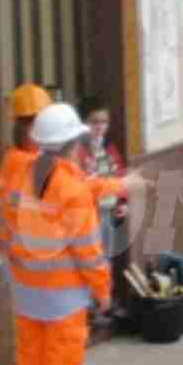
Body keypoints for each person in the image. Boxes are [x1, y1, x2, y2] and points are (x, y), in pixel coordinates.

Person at [8, 103, 110, 365]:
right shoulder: (71, 188)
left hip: (26, 292)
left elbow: (9, 227)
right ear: (72, 142)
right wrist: (103, 291)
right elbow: (88, 251)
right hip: (62, 297)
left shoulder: (25, 175)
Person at [0, 83, 53, 365]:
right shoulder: (30, 166)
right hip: (34, 264)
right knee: (45, 342)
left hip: (24, 261)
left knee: (34, 342)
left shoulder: (16, 161)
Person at [74, 95, 131, 316]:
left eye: (103, 122)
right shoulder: (79, 150)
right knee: (90, 258)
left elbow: (118, 175)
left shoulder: (108, 148)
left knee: (106, 256)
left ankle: (103, 300)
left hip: (107, 211)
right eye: (94, 122)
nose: (99, 127)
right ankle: (89, 304)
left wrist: (122, 201)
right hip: (88, 214)